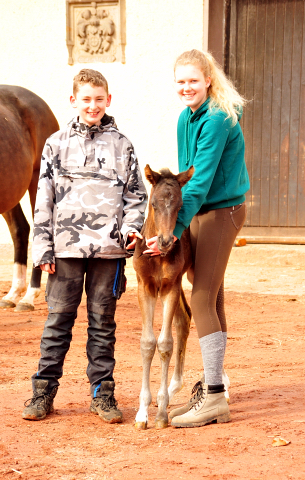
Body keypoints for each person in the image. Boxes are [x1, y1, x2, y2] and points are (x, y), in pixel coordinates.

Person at [22, 68, 147, 423]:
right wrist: (42, 247)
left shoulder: (123, 145)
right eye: (85, 99)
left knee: (102, 323)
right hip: (65, 252)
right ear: (74, 101)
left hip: (109, 252)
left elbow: (137, 196)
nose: (92, 106)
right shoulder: (55, 144)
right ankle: (43, 391)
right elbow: (43, 198)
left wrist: (131, 230)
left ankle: (102, 394)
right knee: (58, 321)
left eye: (99, 99)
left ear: (109, 100)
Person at [145, 49, 250, 428]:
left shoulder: (219, 118)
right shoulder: (184, 120)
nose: (186, 87)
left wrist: (171, 233)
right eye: (180, 81)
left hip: (223, 212)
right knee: (211, 292)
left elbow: (202, 182)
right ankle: (213, 381)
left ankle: (216, 399)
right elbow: (183, 180)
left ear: (208, 80)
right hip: (202, 211)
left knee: (201, 296)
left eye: (193, 80)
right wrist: (175, 222)